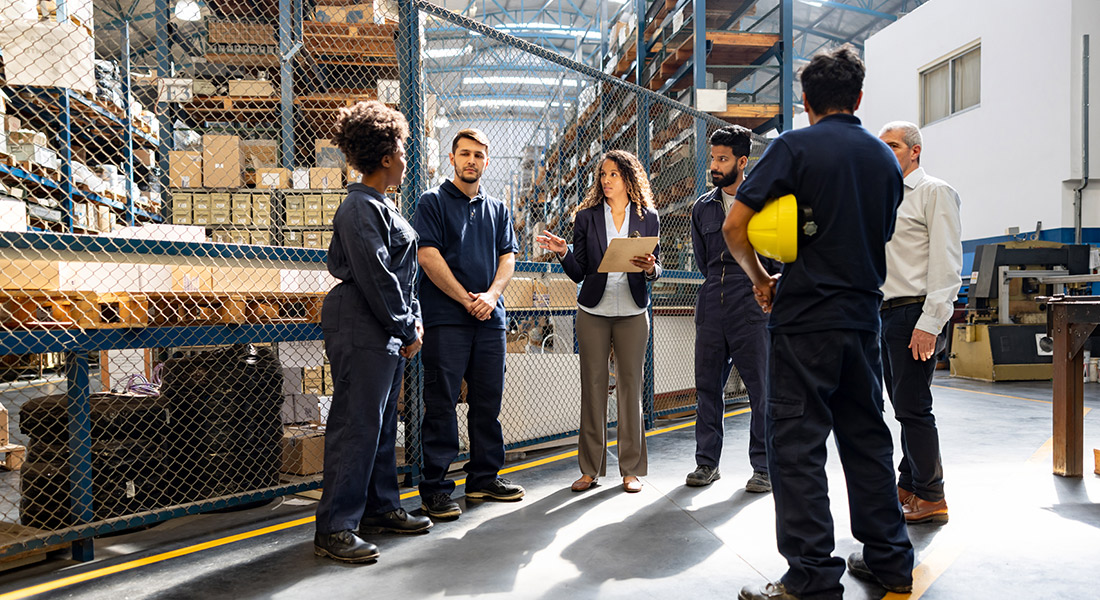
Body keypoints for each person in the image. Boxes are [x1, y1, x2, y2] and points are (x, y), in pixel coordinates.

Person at [722, 46, 914, 600]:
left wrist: (761, 278)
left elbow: (737, 227)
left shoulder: (793, 147)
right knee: (868, 440)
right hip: (862, 320)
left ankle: (812, 578)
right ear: (858, 98)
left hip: (805, 320)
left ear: (805, 101)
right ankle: (890, 561)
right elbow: (878, 232)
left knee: (798, 448)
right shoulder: (884, 159)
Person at [314, 100, 432, 563]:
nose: (406, 158)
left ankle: (381, 507)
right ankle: (335, 527)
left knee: (381, 423)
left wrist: (412, 319)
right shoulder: (359, 209)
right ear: (386, 157)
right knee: (356, 424)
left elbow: (403, 277)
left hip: (384, 324)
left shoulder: (381, 206)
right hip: (362, 322)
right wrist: (406, 326)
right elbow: (378, 276)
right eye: (402, 150)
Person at [414, 128, 524, 519]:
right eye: (465, 154)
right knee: (441, 402)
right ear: (452, 158)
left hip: (489, 320)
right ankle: (436, 489)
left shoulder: (498, 210)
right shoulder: (432, 202)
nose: (471, 161)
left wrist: (492, 297)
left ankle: (482, 479)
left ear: (487, 161)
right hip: (447, 319)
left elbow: (507, 257)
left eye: (478, 155)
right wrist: (465, 299)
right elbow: (428, 255)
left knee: (487, 402)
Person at [536, 150, 661, 494]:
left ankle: (631, 470)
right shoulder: (586, 218)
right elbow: (580, 271)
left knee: (629, 390)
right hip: (593, 310)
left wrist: (650, 267)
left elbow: (655, 268)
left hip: (634, 312)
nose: (605, 180)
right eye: (602, 175)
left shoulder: (648, 217)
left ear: (628, 179)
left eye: (613, 175)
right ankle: (590, 469)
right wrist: (563, 252)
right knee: (592, 391)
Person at [878, 121, 962, 524]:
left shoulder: (934, 192)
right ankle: (909, 484)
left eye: (893, 145)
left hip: (914, 313)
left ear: (915, 152)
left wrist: (931, 322)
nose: (885, 152)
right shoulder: (886, 198)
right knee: (901, 407)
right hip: (885, 314)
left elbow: (947, 264)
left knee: (914, 408)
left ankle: (932, 496)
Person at [687, 125, 778, 492]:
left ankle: (764, 467)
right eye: (713, 158)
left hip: (752, 304)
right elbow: (702, 261)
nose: (715, 165)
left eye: (723, 159)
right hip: (712, 303)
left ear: (742, 161)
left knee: (762, 390)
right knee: (707, 388)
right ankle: (706, 463)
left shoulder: (767, 205)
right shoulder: (702, 208)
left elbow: (779, 259)